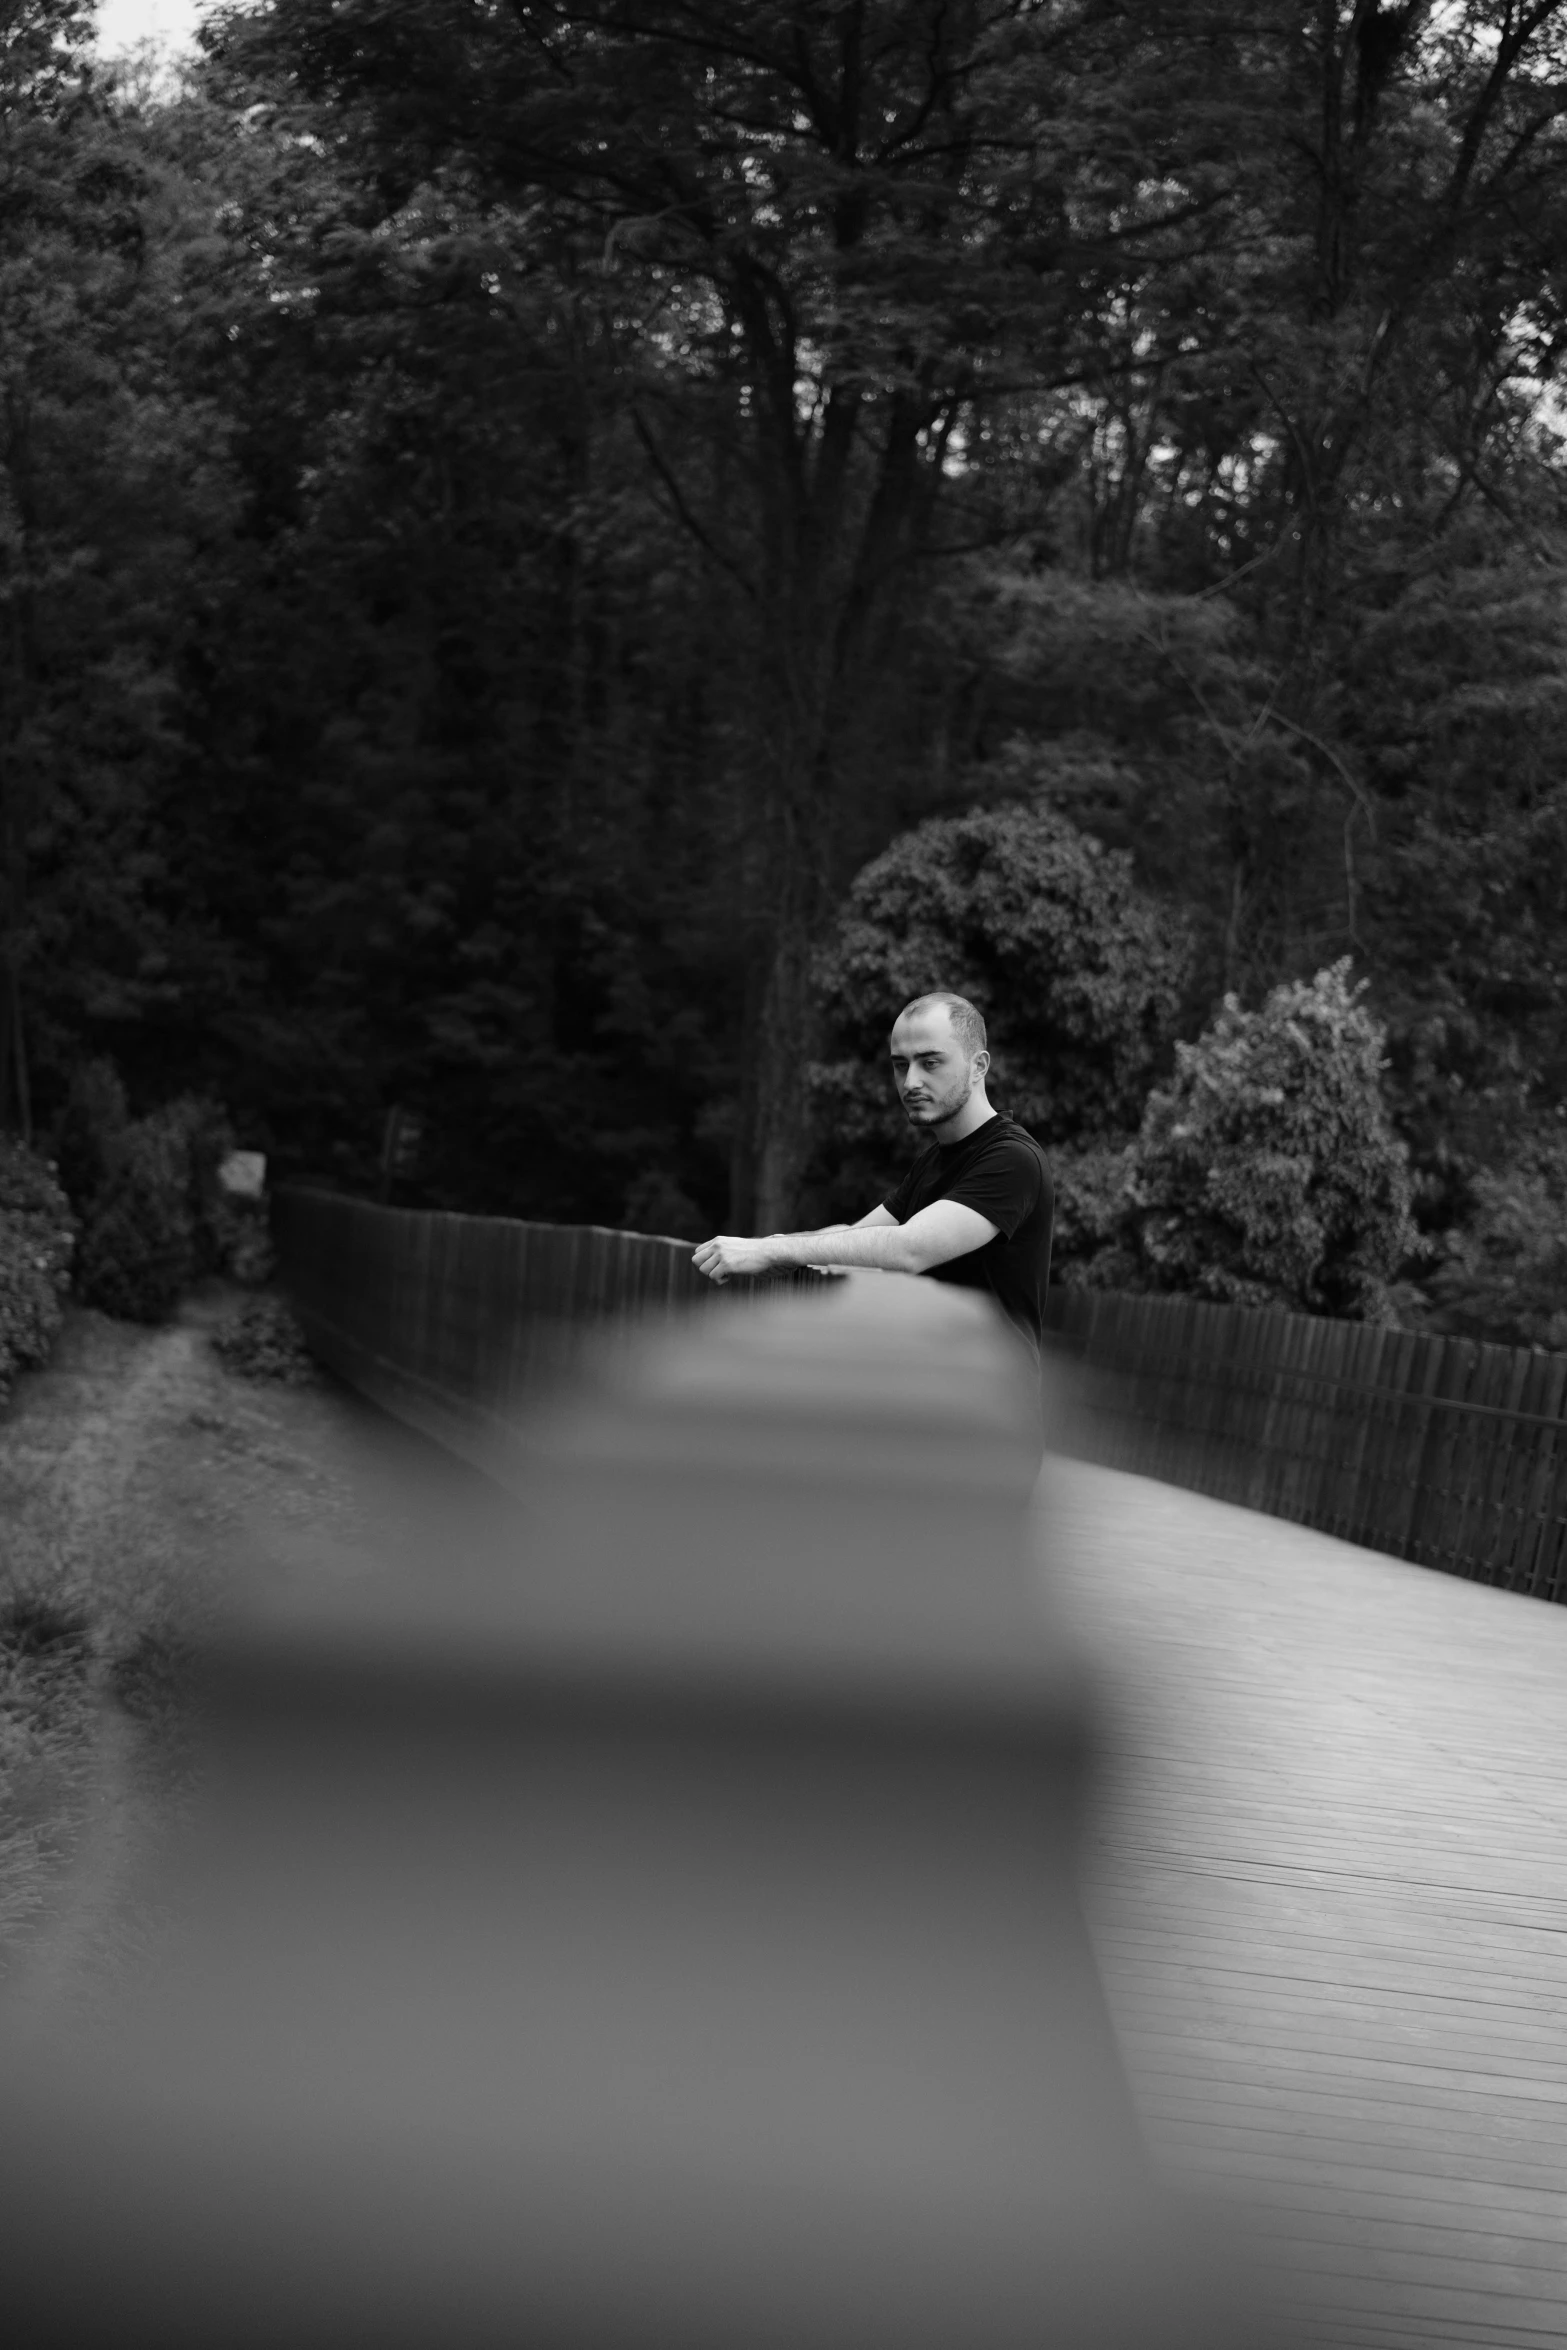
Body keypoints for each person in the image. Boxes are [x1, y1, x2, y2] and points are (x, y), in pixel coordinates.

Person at [693, 992, 1054, 1361]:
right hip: (932, 1391)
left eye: (930, 1062)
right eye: (900, 1065)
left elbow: (909, 1248)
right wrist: (772, 1247)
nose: (911, 1081)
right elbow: (855, 1238)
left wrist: (771, 1250)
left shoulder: (1012, 1159)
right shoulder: (935, 1160)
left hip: (991, 1406)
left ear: (978, 1066)